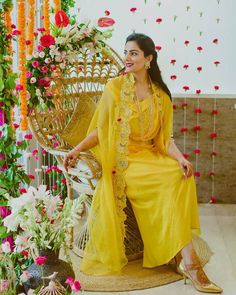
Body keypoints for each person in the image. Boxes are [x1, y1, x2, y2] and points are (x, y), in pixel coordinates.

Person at [63, 33, 222, 293]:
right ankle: (190, 263)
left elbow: (165, 140)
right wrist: (77, 149)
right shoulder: (114, 87)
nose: (127, 57)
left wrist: (181, 158)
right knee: (164, 183)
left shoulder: (160, 95)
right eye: (126, 52)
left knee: (180, 175)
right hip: (125, 160)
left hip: (152, 155)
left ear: (148, 58)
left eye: (134, 53)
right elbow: (101, 131)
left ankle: (177, 250)